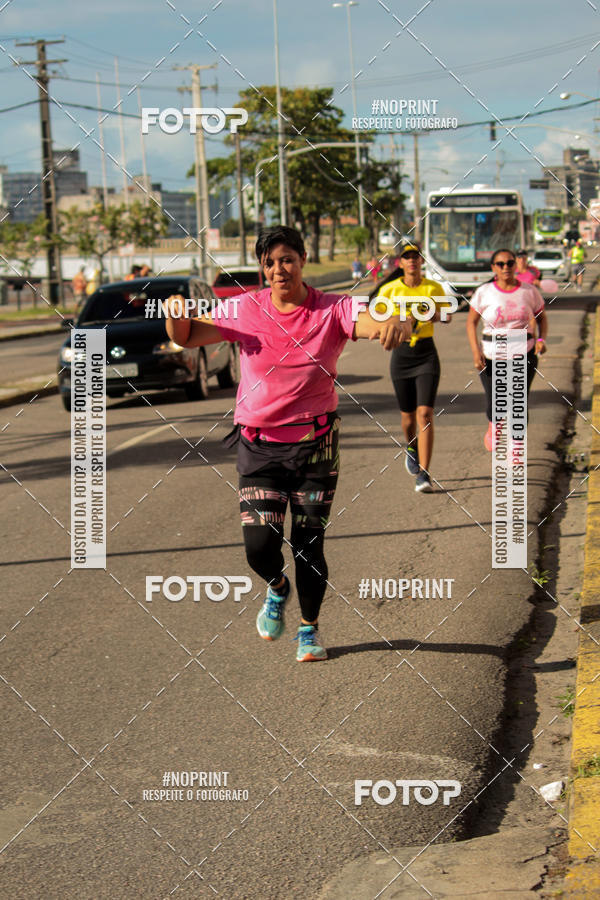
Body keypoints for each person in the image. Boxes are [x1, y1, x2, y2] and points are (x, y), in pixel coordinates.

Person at [164, 225, 411, 661]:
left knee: (308, 544)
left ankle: (309, 630)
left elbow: (374, 320)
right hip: (259, 446)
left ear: (302, 261)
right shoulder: (244, 309)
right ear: (262, 268)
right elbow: (186, 336)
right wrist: (174, 312)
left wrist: (395, 322)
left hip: (317, 445)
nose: (280, 269)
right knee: (259, 547)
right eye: (270, 262)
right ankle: (277, 587)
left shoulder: (332, 308)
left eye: (287, 260)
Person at [371, 240, 450, 493]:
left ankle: (424, 474)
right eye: (407, 257)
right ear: (400, 262)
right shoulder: (390, 290)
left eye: (416, 256)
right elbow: (375, 317)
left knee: (424, 414)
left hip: (426, 354)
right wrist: (392, 323)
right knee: (407, 418)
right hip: (401, 355)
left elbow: (447, 315)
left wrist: (430, 314)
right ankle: (412, 446)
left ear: (421, 261)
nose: (412, 260)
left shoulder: (433, 288)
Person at [466, 248, 548, 451]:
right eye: (500, 264)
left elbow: (542, 318)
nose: (506, 267)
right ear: (493, 267)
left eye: (510, 263)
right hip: (491, 355)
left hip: (524, 352)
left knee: (518, 401)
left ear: (515, 265)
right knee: (496, 401)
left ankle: (516, 446)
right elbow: (471, 323)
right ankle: (494, 425)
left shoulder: (529, 291)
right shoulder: (484, 292)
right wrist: (476, 352)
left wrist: (540, 339)